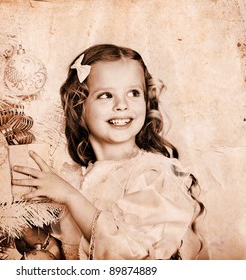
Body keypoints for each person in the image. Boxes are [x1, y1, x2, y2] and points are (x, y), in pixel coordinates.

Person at [12, 44, 206, 260]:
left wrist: (70, 196)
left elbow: (129, 258)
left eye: (133, 93)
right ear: (80, 110)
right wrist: (39, 242)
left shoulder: (152, 176)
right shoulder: (74, 180)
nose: (122, 105)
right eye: (106, 95)